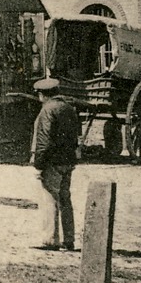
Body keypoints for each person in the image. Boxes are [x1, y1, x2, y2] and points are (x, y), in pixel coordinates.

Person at [31, 76, 79, 251]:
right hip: (68, 161)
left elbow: (44, 141)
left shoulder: (47, 110)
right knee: (65, 199)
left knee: (49, 198)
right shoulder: (69, 108)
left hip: (52, 162)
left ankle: (50, 239)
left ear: (43, 95)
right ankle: (69, 239)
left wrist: (39, 164)